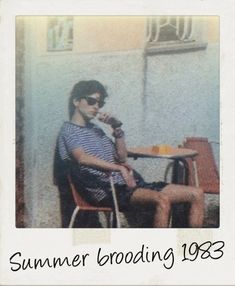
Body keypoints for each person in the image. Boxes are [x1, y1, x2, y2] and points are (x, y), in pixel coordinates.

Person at [56, 80, 204, 228]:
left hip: (128, 185)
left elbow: (121, 157)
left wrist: (116, 128)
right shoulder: (69, 131)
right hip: (107, 190)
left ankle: (194, 246)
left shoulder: (96, 130)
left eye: (99, 103)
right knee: (162, 199)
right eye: (91, 101)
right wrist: (118, 168)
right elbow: (82, 158)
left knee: (196, 194)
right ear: (76, 101)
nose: (96, 107)